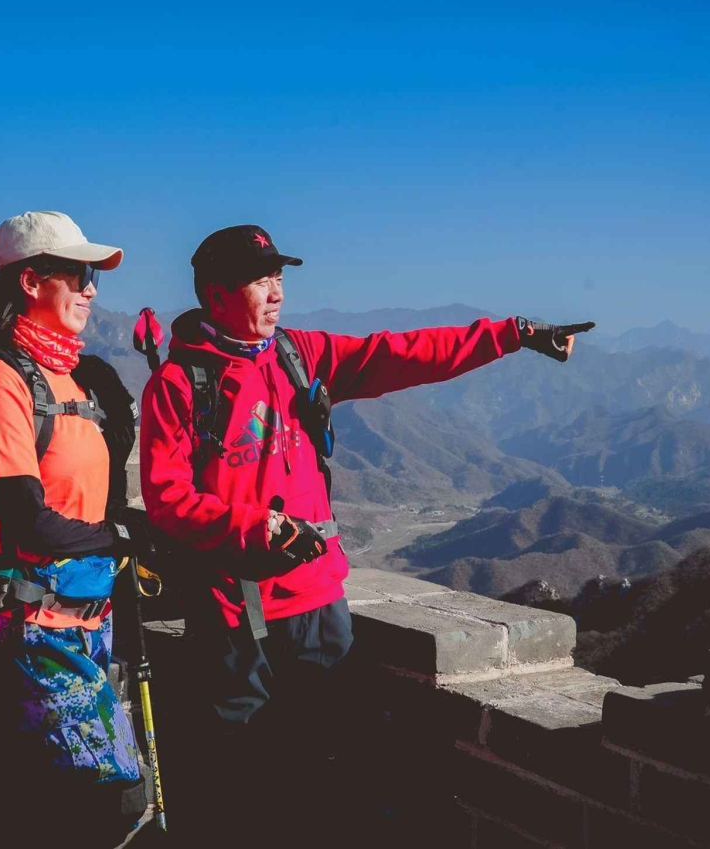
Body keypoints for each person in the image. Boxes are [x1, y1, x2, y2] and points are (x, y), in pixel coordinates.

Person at [138, 224, 591, 840]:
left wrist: (513, 334)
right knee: (244, 778)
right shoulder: (180, 385)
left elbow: (403, 353)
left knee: (337, 765)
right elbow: (167, 501)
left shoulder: (300, 355)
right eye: (259, 281)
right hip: (232, 617)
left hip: (320, 604)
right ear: (217, 294)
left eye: (278, 277)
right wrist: (256, 527)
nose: (276, 292)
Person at [0, 210, 149, 845]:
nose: (90, 289)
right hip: (30, 624)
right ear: (31, 282)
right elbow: (26, 521)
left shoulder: (72, 377)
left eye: (93, 277)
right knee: (111, 793)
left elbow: (87, 502)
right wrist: (124, 539)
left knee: (64, 797)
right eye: (77, 274)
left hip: (88, 618)